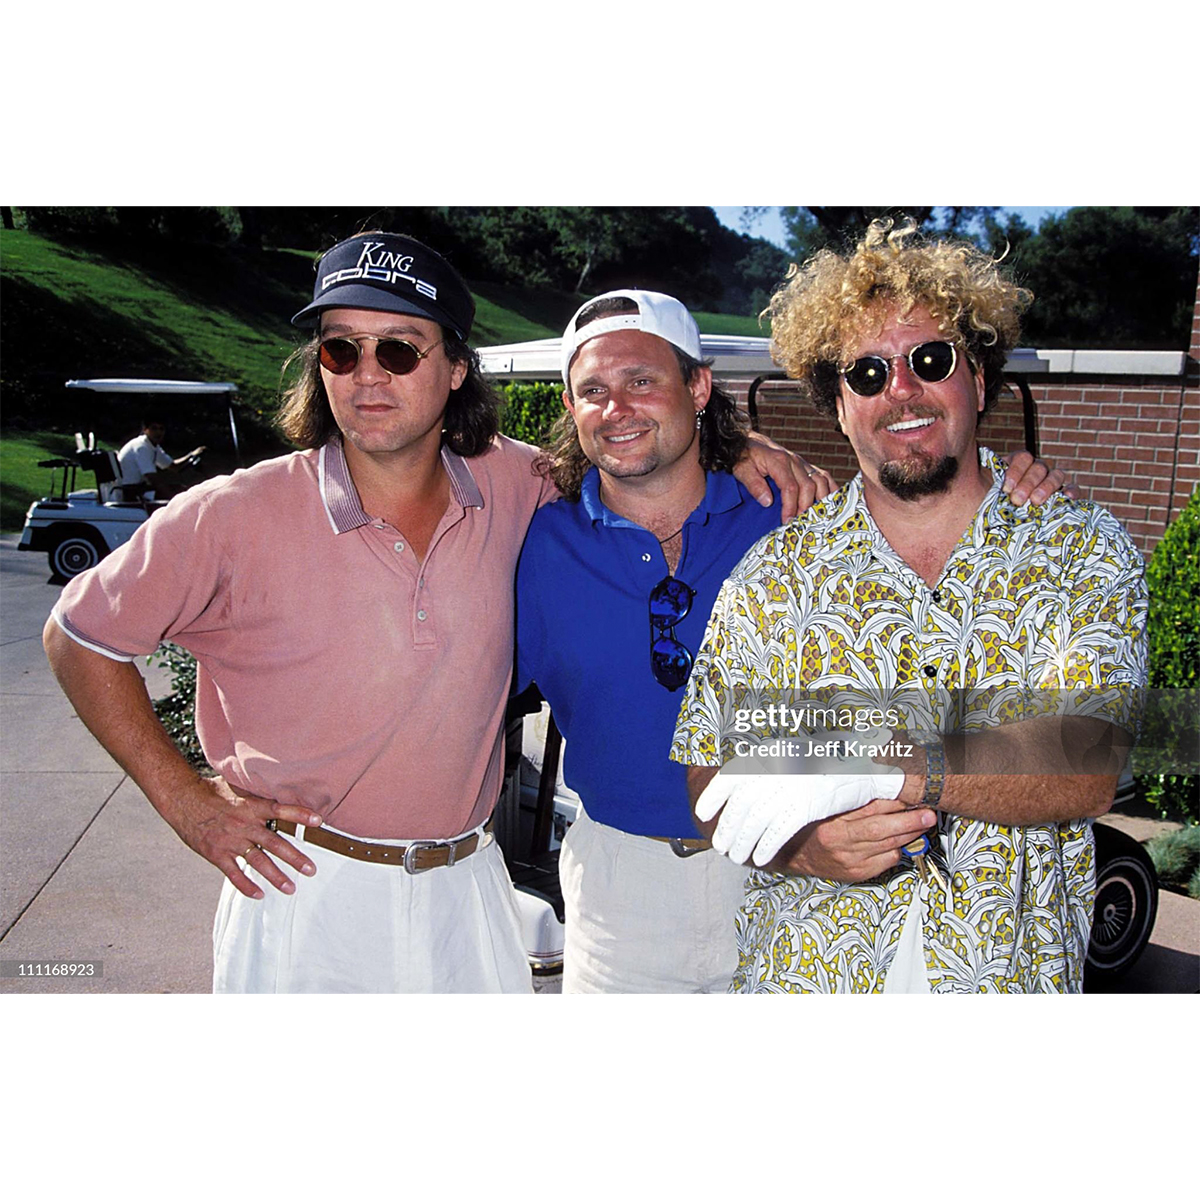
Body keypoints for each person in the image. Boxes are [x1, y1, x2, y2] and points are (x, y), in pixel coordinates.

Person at [41, 232, 822, 994]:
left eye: (400, 349)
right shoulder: (229, 514)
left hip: (468, 889)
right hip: (305, 892)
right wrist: (182, 800)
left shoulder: (516, 485)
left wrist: (734, 445)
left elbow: (632, 453)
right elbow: (77, 636)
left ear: (454, 369)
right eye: (341, 349)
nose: (366, 375)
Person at [517, 287, 1071, 993]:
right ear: (570, 409)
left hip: (798, 878)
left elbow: (931, 516)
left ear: (698, 386)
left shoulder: (794, 517)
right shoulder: (541, 543)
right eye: (591, 389)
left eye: (641, 381)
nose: (615, 408)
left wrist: (1011, 486)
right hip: (622, 895)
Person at [671, 220, 1148, 994]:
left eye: (930, 359)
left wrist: (887, 757)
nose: (901, 390)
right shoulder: (773, 577)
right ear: (837, 406)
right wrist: (806, 847)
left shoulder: (1082, 550)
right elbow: (710, 772)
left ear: (980, 379)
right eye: (866, 373)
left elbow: (1089, 762)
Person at [116, 416, 205, 499]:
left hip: (140, 488)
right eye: (154, 428)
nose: (158, 432)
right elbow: (152, 478)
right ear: (145, 430)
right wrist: (172, 497)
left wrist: (192, 454)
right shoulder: (141, 446)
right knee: (179, 494)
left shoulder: (153, 446)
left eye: (161, 429)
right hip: (131, 492)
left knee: (181, 489)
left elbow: (173, 466)